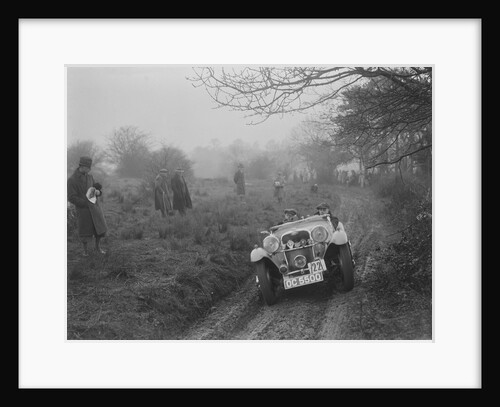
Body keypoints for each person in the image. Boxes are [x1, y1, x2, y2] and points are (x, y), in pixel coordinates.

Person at [67, 156, 108, 256]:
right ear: (82, 166)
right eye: (88, 167)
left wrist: (98, 192)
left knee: (99, 227)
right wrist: (84, 204)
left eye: (90, 167)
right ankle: (85, 251)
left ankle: (98, 248)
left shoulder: (90, 177)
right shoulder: (72, 180)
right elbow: (71, 197)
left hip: (95, 206)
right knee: (85, 230)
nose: (89, 169)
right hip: (83, 209)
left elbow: (94, 189)